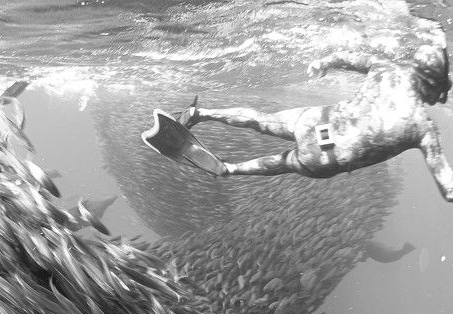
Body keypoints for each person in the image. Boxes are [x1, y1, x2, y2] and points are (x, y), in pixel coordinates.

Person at [146, 40, 453, 202]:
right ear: (434, 83)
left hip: (317, 121)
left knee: (259, 120)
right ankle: (228, 168)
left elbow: (344, 56)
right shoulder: (422, 127)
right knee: (280, 161)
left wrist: (323, 63)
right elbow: (449, 189)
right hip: (327, 154)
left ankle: (200, 114)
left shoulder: (386, 68)